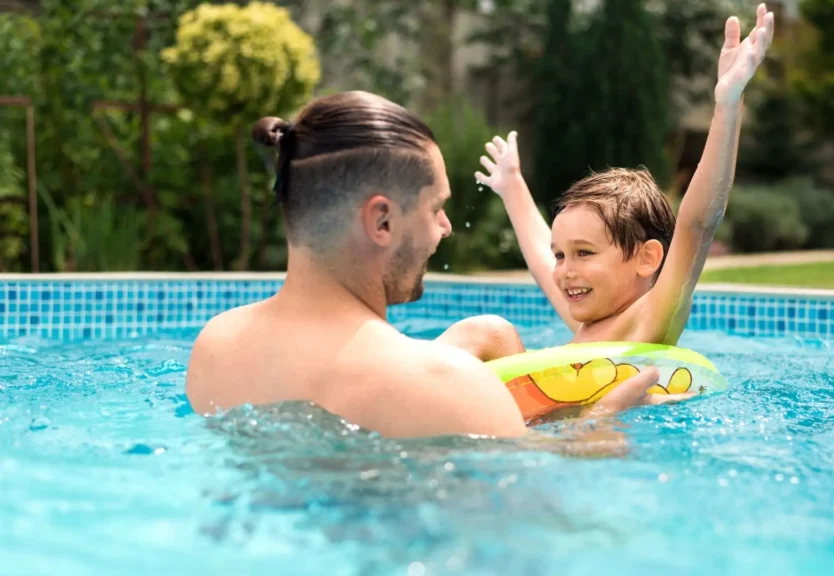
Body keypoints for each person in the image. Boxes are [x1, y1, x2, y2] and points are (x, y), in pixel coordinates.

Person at [184, 91, 687, 440]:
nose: (446, 228)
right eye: (435, 209)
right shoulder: (448, 385)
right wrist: (601, 423)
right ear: (381, 221)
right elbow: (539, 531)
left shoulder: (214, 347)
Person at [471, 4, 774, 351]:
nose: (564, 271)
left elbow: (698, 223)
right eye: (561, 256)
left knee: (489, 332)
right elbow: (541, 258)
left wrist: (728, 104)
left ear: (647, 259)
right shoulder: (590, 321)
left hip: (605, 403)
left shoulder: (645, 321)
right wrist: (513, 187)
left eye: (584, 253)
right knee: (486, 333)